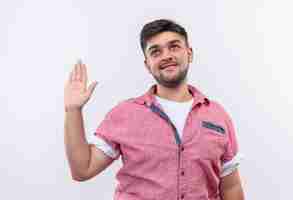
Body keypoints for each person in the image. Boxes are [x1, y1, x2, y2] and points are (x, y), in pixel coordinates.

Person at [64, 19, 245, 200]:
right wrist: (73, 110)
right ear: (147, 64)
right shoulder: (125, 114)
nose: (166, 56)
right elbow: (83, 169)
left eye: (174, 47)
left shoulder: (218, 116)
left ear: (189, 54)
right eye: (156, 52)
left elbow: (231, 187)